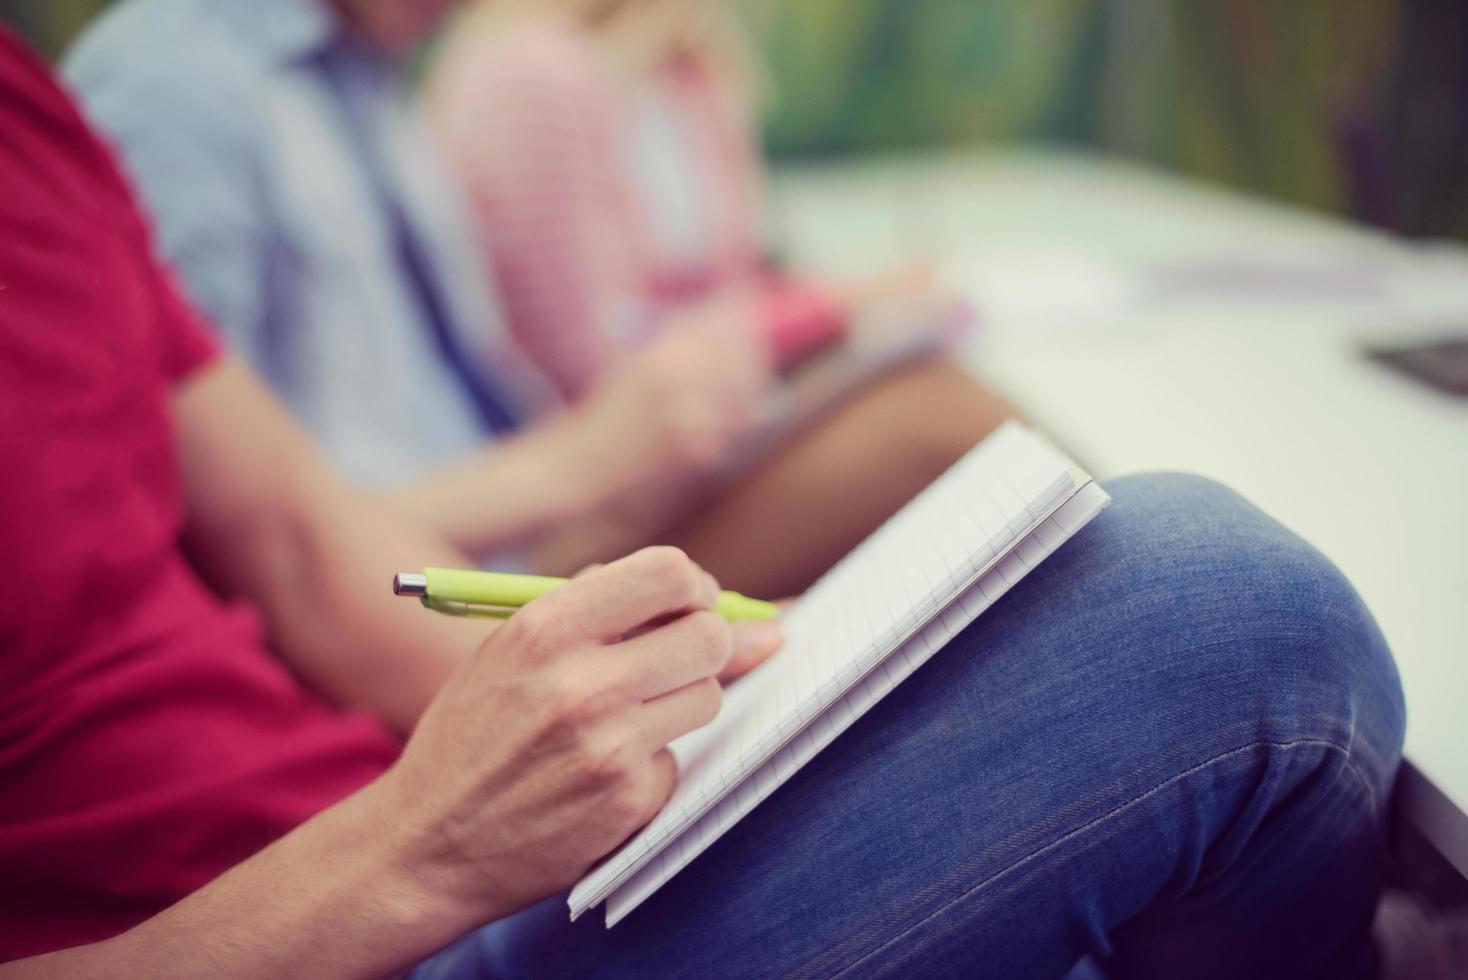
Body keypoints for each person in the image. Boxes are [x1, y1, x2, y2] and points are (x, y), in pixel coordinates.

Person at [0, 30, 1406, 979]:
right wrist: (416, 848)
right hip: (347, 908)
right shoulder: (218, 82)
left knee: (1081, 571)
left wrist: (779, 676)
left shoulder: (38, 112)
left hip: (410, 807)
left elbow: (307, 548)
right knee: (1222, 610)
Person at [63, 0, 1016, 599]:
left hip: (536, 531)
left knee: (945, 442)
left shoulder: (371, 83)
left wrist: (608, 465)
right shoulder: (175, 86)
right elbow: (214, 533)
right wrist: (582, 459)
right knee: (936, 429)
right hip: (431, 593)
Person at [427, 0, 928, 400]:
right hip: (618, 450)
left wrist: (845, 311)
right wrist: (823, 312)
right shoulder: (532, 72)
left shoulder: (697, 75)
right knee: (933, 417)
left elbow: (736, 280)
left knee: (922, 382)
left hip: (718, 405)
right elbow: (592, 365)